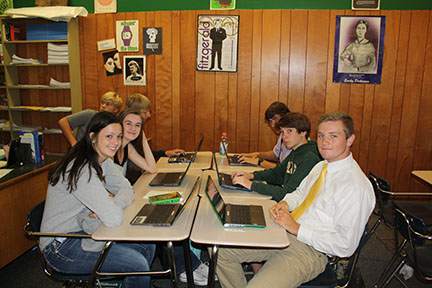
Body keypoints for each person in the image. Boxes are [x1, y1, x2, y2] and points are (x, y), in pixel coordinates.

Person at [215, 111, 375, 288]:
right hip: (286, 231)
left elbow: (345, 245)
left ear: (350, 139)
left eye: (333, 136)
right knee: (220, 252)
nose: (325, 141)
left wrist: (296, 228)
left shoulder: (355, 186)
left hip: (311, 251)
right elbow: (299, 193)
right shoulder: (323, 166)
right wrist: (286, 203)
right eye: (321, 135)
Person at [40, 111, 155, 288]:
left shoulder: (102, 159)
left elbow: (126, 189)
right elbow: (114, 217)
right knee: (137, 263)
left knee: (147, 246)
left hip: (84, 230)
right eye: (109, 136)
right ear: (92, 137)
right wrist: (108, 210)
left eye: (118, 136)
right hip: (61, 246)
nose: (115, 143)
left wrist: (110, 206)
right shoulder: (81, 168)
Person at [232, 112, 321, 202]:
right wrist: (251, 175)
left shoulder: (309, 157)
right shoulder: (296, 151)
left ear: (303, 132)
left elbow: (289, 194)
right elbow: (276, 173)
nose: (284, 136)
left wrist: (251, 185)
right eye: (282, 132)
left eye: (289, 131)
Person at [125, 93, 185, 159]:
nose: (149, 115)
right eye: (145, 112)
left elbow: (142, 153)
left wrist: (166, 153)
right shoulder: (129, 132)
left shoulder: (138, 129)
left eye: (149, 112)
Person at [58, 91, 122, 147]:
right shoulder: (90, 114)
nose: (103, 106)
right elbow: (63, 122)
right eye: (102, 102)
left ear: (116, 109)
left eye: (108, 104)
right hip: (81, 152)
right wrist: (73, 143)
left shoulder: (114, 124)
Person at [239, 102, 291, 169]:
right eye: (270, 121)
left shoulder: (297, 139)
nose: (273, 125)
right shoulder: (283, 134)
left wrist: (259, 162)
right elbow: (276, 154)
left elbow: (285, 170)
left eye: (276, 119)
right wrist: (257, 155)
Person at [114, 109, 157, 184]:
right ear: (119, 124)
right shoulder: (110, 148)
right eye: (128, 123)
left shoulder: (128, 147)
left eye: (137, 125)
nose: (133, 128)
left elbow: (152, 168)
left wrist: (143, 139)